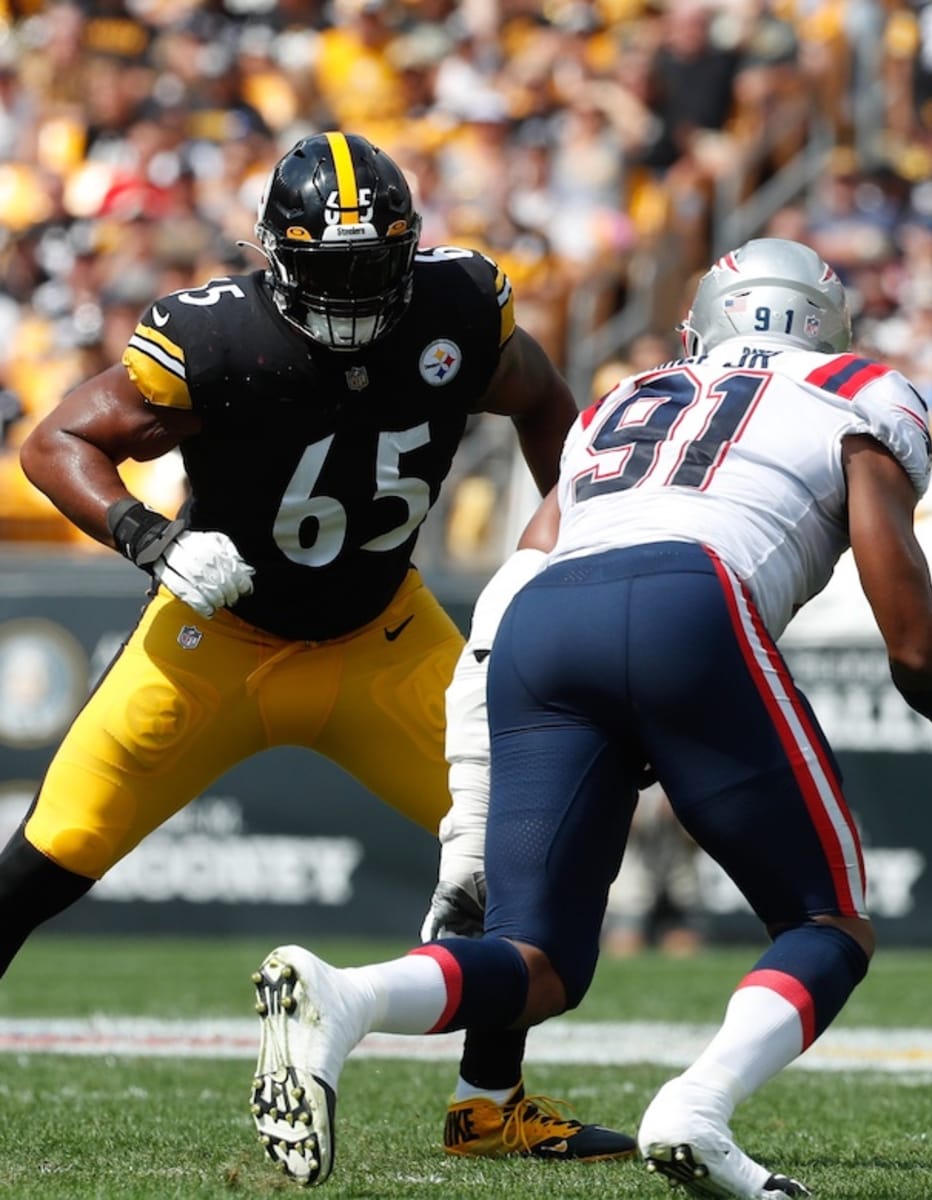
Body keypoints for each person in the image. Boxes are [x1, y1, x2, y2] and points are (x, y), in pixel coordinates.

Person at [248, 236, 932, 1199]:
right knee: (827, 920)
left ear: (706, 324)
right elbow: (907, 632)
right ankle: (696, 1108)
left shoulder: (630, 396)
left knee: (539, 961)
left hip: (538, 627)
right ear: (825, 325)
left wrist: (479, 785)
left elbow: (517, 582)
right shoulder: (861, 387)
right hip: (687, 595)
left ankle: (348, 997)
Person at [3, 130, 635, 1182]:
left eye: (372, 268)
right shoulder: (217, 339)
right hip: (214, 643)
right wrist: (145, 536)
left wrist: (573, 537)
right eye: (329, 270)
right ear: (274, 255)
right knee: (43, 862)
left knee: (536, 852)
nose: (353, 294)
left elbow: (544, 411)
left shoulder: (457, 307)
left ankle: (489, 1106)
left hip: (382, 640)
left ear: (408, 251)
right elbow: (54, 443)